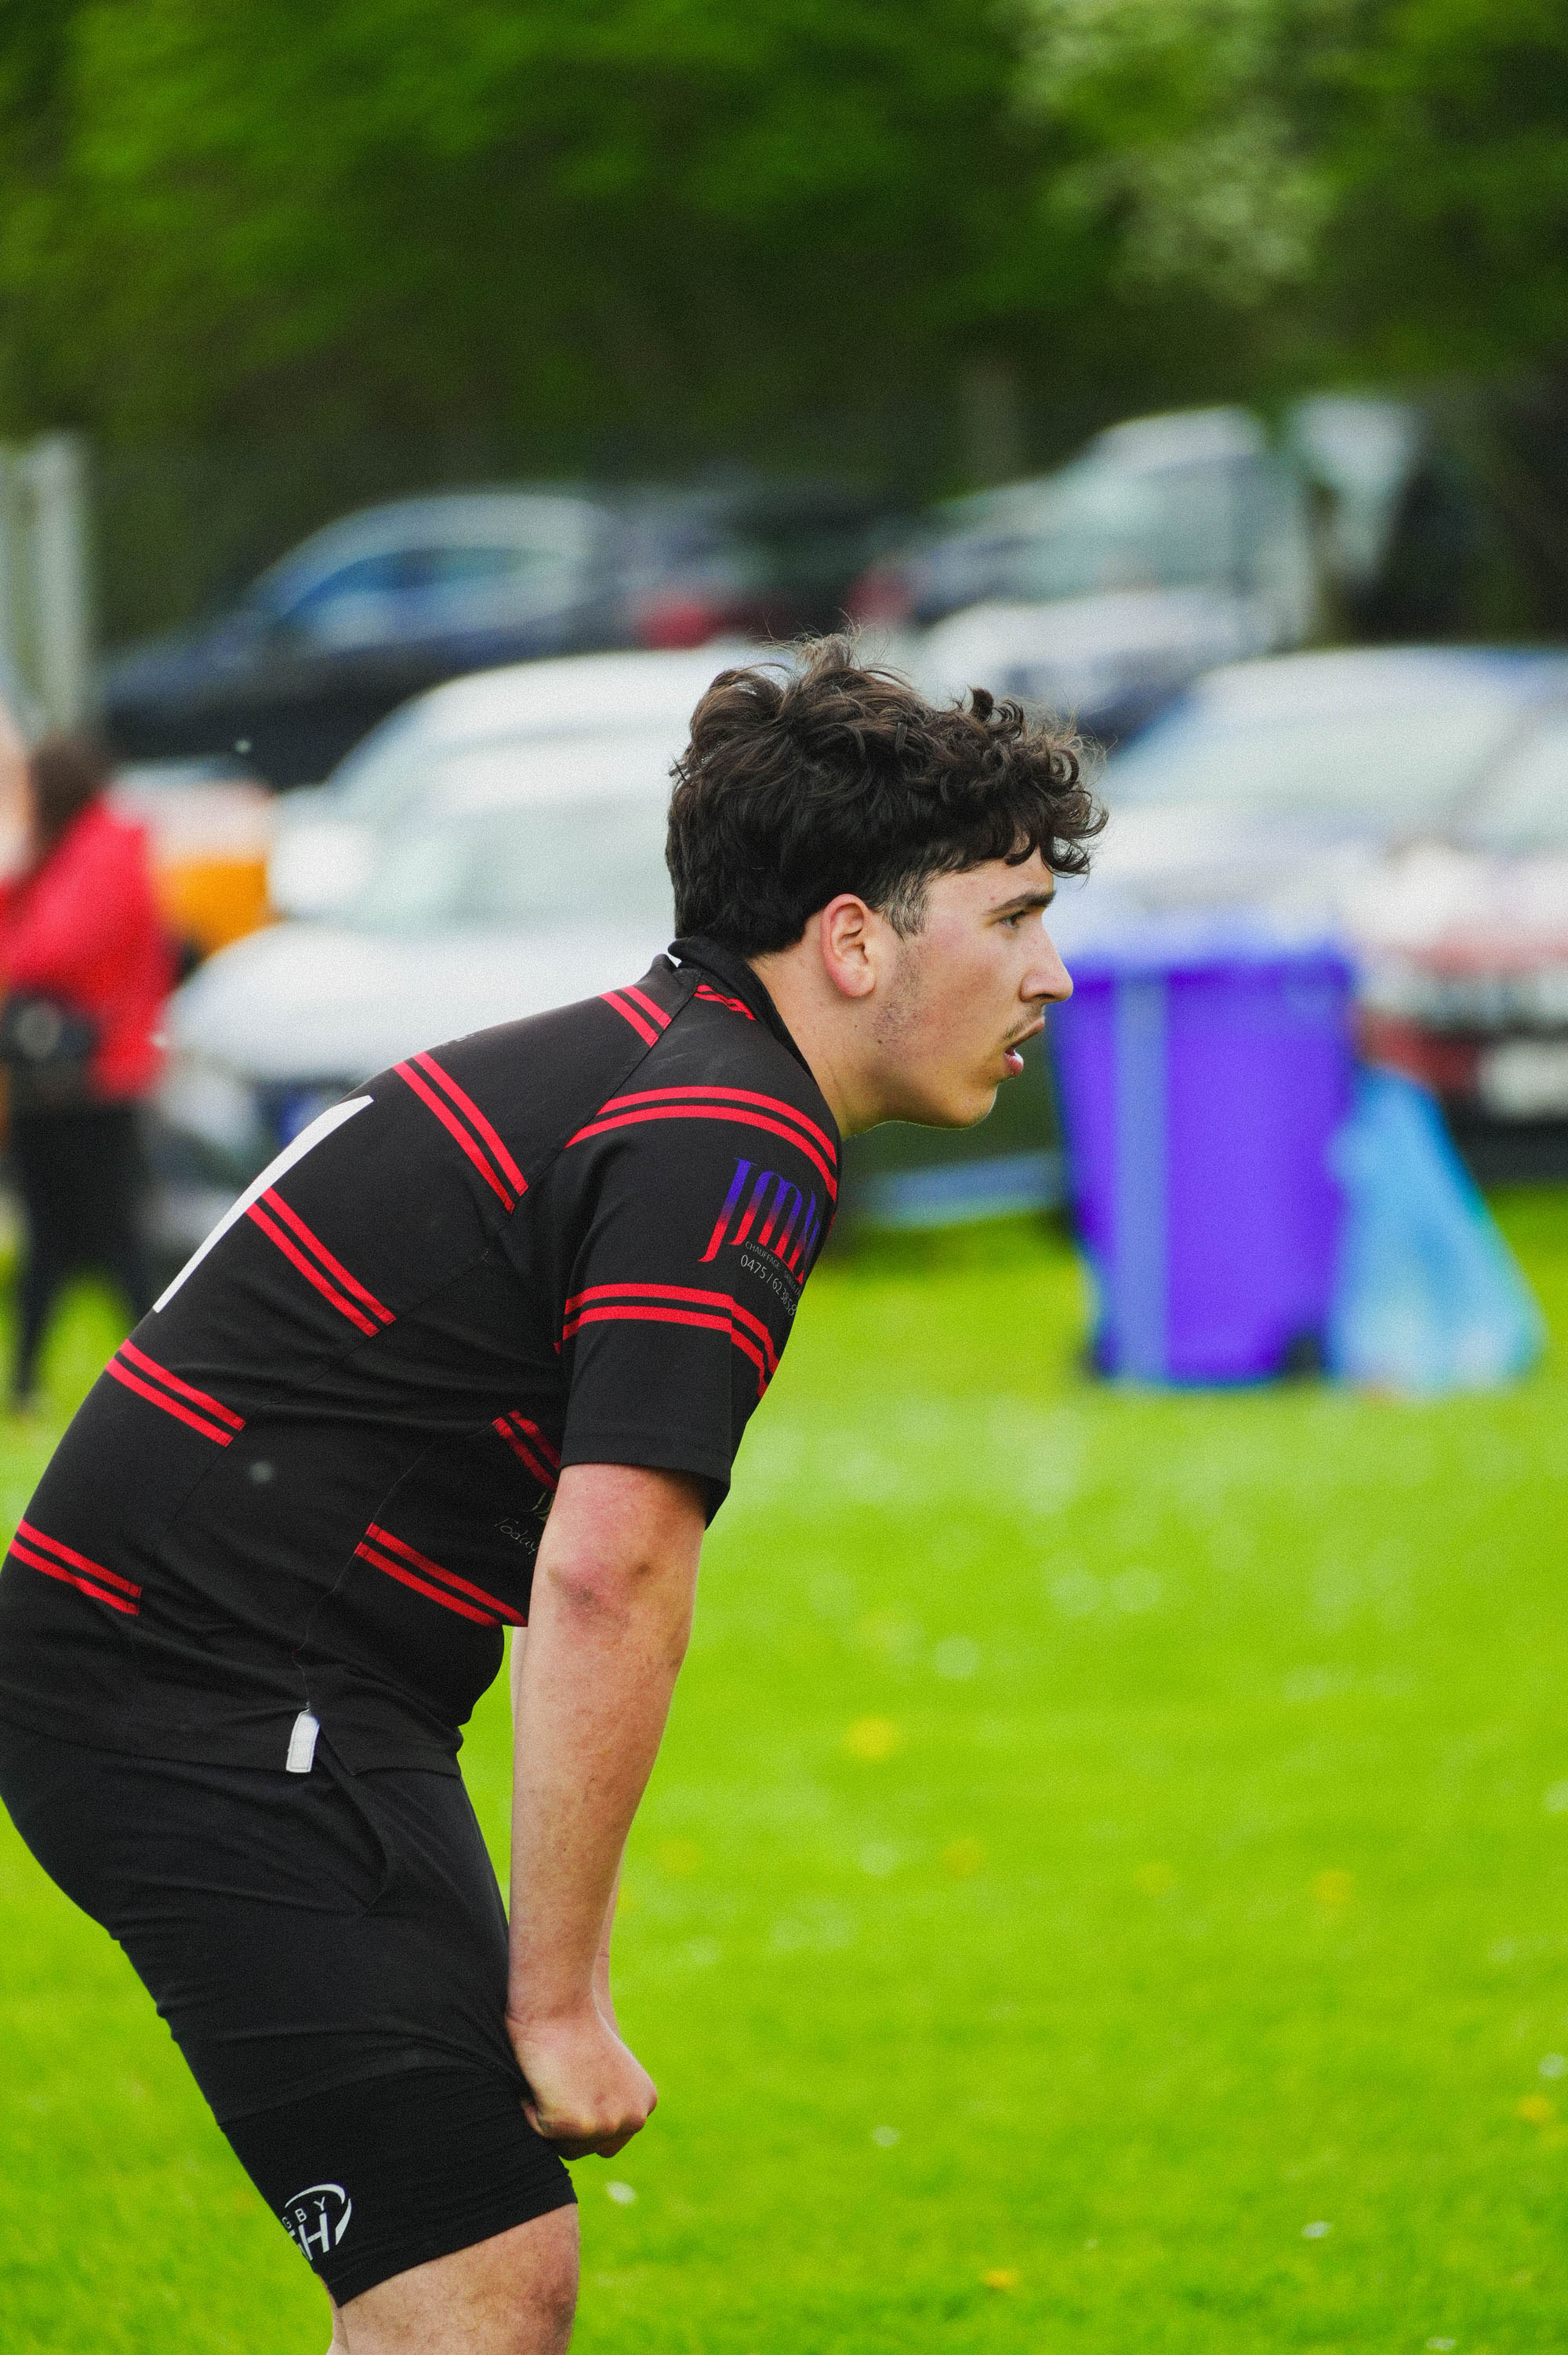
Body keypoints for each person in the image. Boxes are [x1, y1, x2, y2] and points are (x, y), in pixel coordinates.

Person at [0, 637, 1099, 2354]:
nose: (1053, 974)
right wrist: (561, 1995)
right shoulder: (729, 1130)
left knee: (475, 2282)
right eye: (1014, 914)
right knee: (477, 2290)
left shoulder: (659, 1062)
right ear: (853, 939)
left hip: (238, 1681)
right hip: (205, 1694)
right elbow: (609, 1571)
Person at [0, 731, 172, 1408]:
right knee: (61, 1236)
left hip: (94, 1076)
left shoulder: (99, 850)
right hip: (63, 1078)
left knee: (109, 1236)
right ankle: (34, 1382)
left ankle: (158, 1369)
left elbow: (50, 951)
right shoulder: (77, 845)